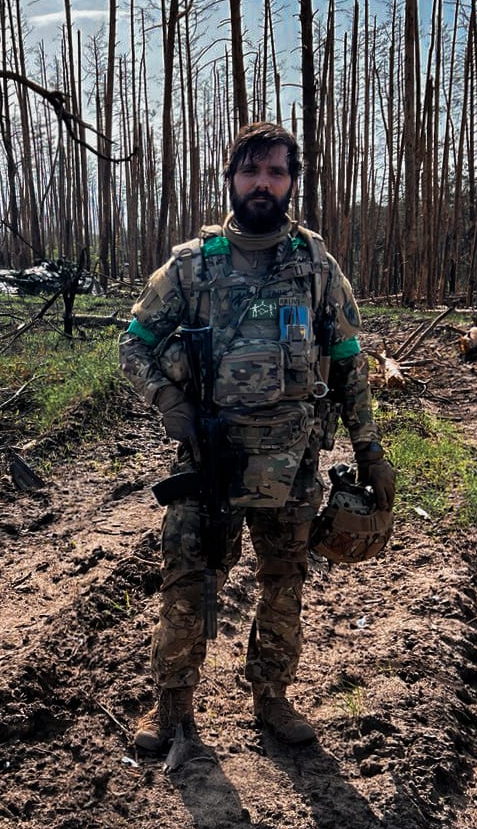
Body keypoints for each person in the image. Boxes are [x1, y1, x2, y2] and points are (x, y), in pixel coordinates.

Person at [119, 122, 395, 749]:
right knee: (187, 581)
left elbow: (348, 360)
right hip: (209, 453)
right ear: (232, 178)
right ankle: (172, 709)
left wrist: (370, 450)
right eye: (251, 171)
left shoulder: (316, 264)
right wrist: (170, 401)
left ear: (292, 181)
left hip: (292, 459)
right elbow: (131, 347)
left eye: (275, 171)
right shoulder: (191, 268)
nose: (263, 183)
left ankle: (272, 698)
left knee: (284, 581)